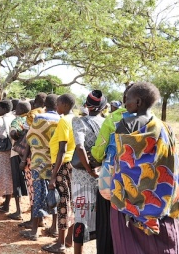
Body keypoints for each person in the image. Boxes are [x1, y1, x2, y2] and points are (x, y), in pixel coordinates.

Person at [110, 82, 179, 253]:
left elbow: (122, 162)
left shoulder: (124, 124)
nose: (125, 104)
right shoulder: (166, 127)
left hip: (129, 204)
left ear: (139, 102)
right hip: (162, 199)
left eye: (128, 100)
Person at [90, 84, 134, 254]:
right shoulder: (156, 122)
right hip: (142, 184)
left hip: (113, 181)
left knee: (107, 223)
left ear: (124, 99)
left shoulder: (113, 119)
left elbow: (98, 151)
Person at [20, 94, 60, 241]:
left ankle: (34, 231)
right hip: (56, 162)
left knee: (38, 194)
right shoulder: (61, 120)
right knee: (55, 194)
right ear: (57, 106)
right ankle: (54, 227)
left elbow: (30, 138)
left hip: (38, 161)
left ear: (45, 106)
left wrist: (25, 158)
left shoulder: (38, 119)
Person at [71, 90, 106, 254]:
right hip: (103, 176)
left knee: (81, 216)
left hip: (82, 177)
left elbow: (79, 147)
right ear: (104, 107)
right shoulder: (107, 123)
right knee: (102, 218)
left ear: (87, 105)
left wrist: (88, 169)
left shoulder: (79, 122)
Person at [44, 94, 76, 253]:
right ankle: (69, 239)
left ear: (64, 104)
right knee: (70, 202)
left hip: (62, 166)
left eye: (58, 103)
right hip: (71, 165)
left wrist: (52, 176)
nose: (56, 106)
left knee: (63, 204)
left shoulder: (64, 120)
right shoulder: (74, 119)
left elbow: (62, 149)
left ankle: (60, 243)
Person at [8, 101, 31, 221]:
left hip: (17, 154)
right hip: (30, 155)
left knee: (17, 182)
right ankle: (34, 213)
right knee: (30, 183)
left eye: (17, 107)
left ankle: (18, 211)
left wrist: (20, 136)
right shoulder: (32, 119)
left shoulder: (16, 121)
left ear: (20, 110)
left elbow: (13, 134)